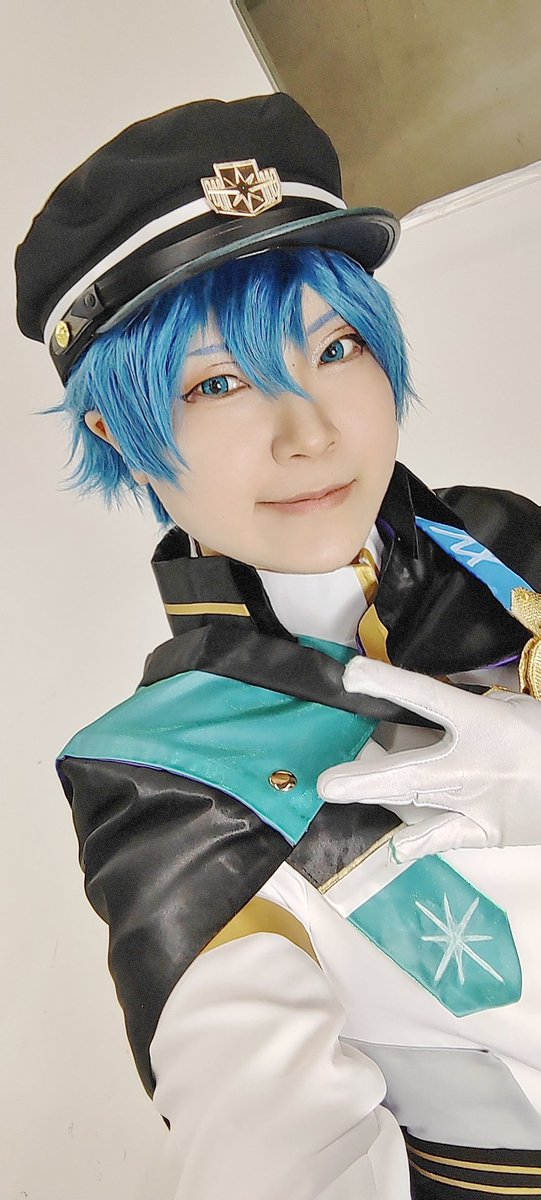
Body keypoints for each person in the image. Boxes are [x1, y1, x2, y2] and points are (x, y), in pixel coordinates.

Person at [15, 93, 541, 1199]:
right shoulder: (164, 780)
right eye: (217, 383)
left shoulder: (509, 539)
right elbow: (270, 1144)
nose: (310, 433)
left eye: (335, 348)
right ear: (118, 433)